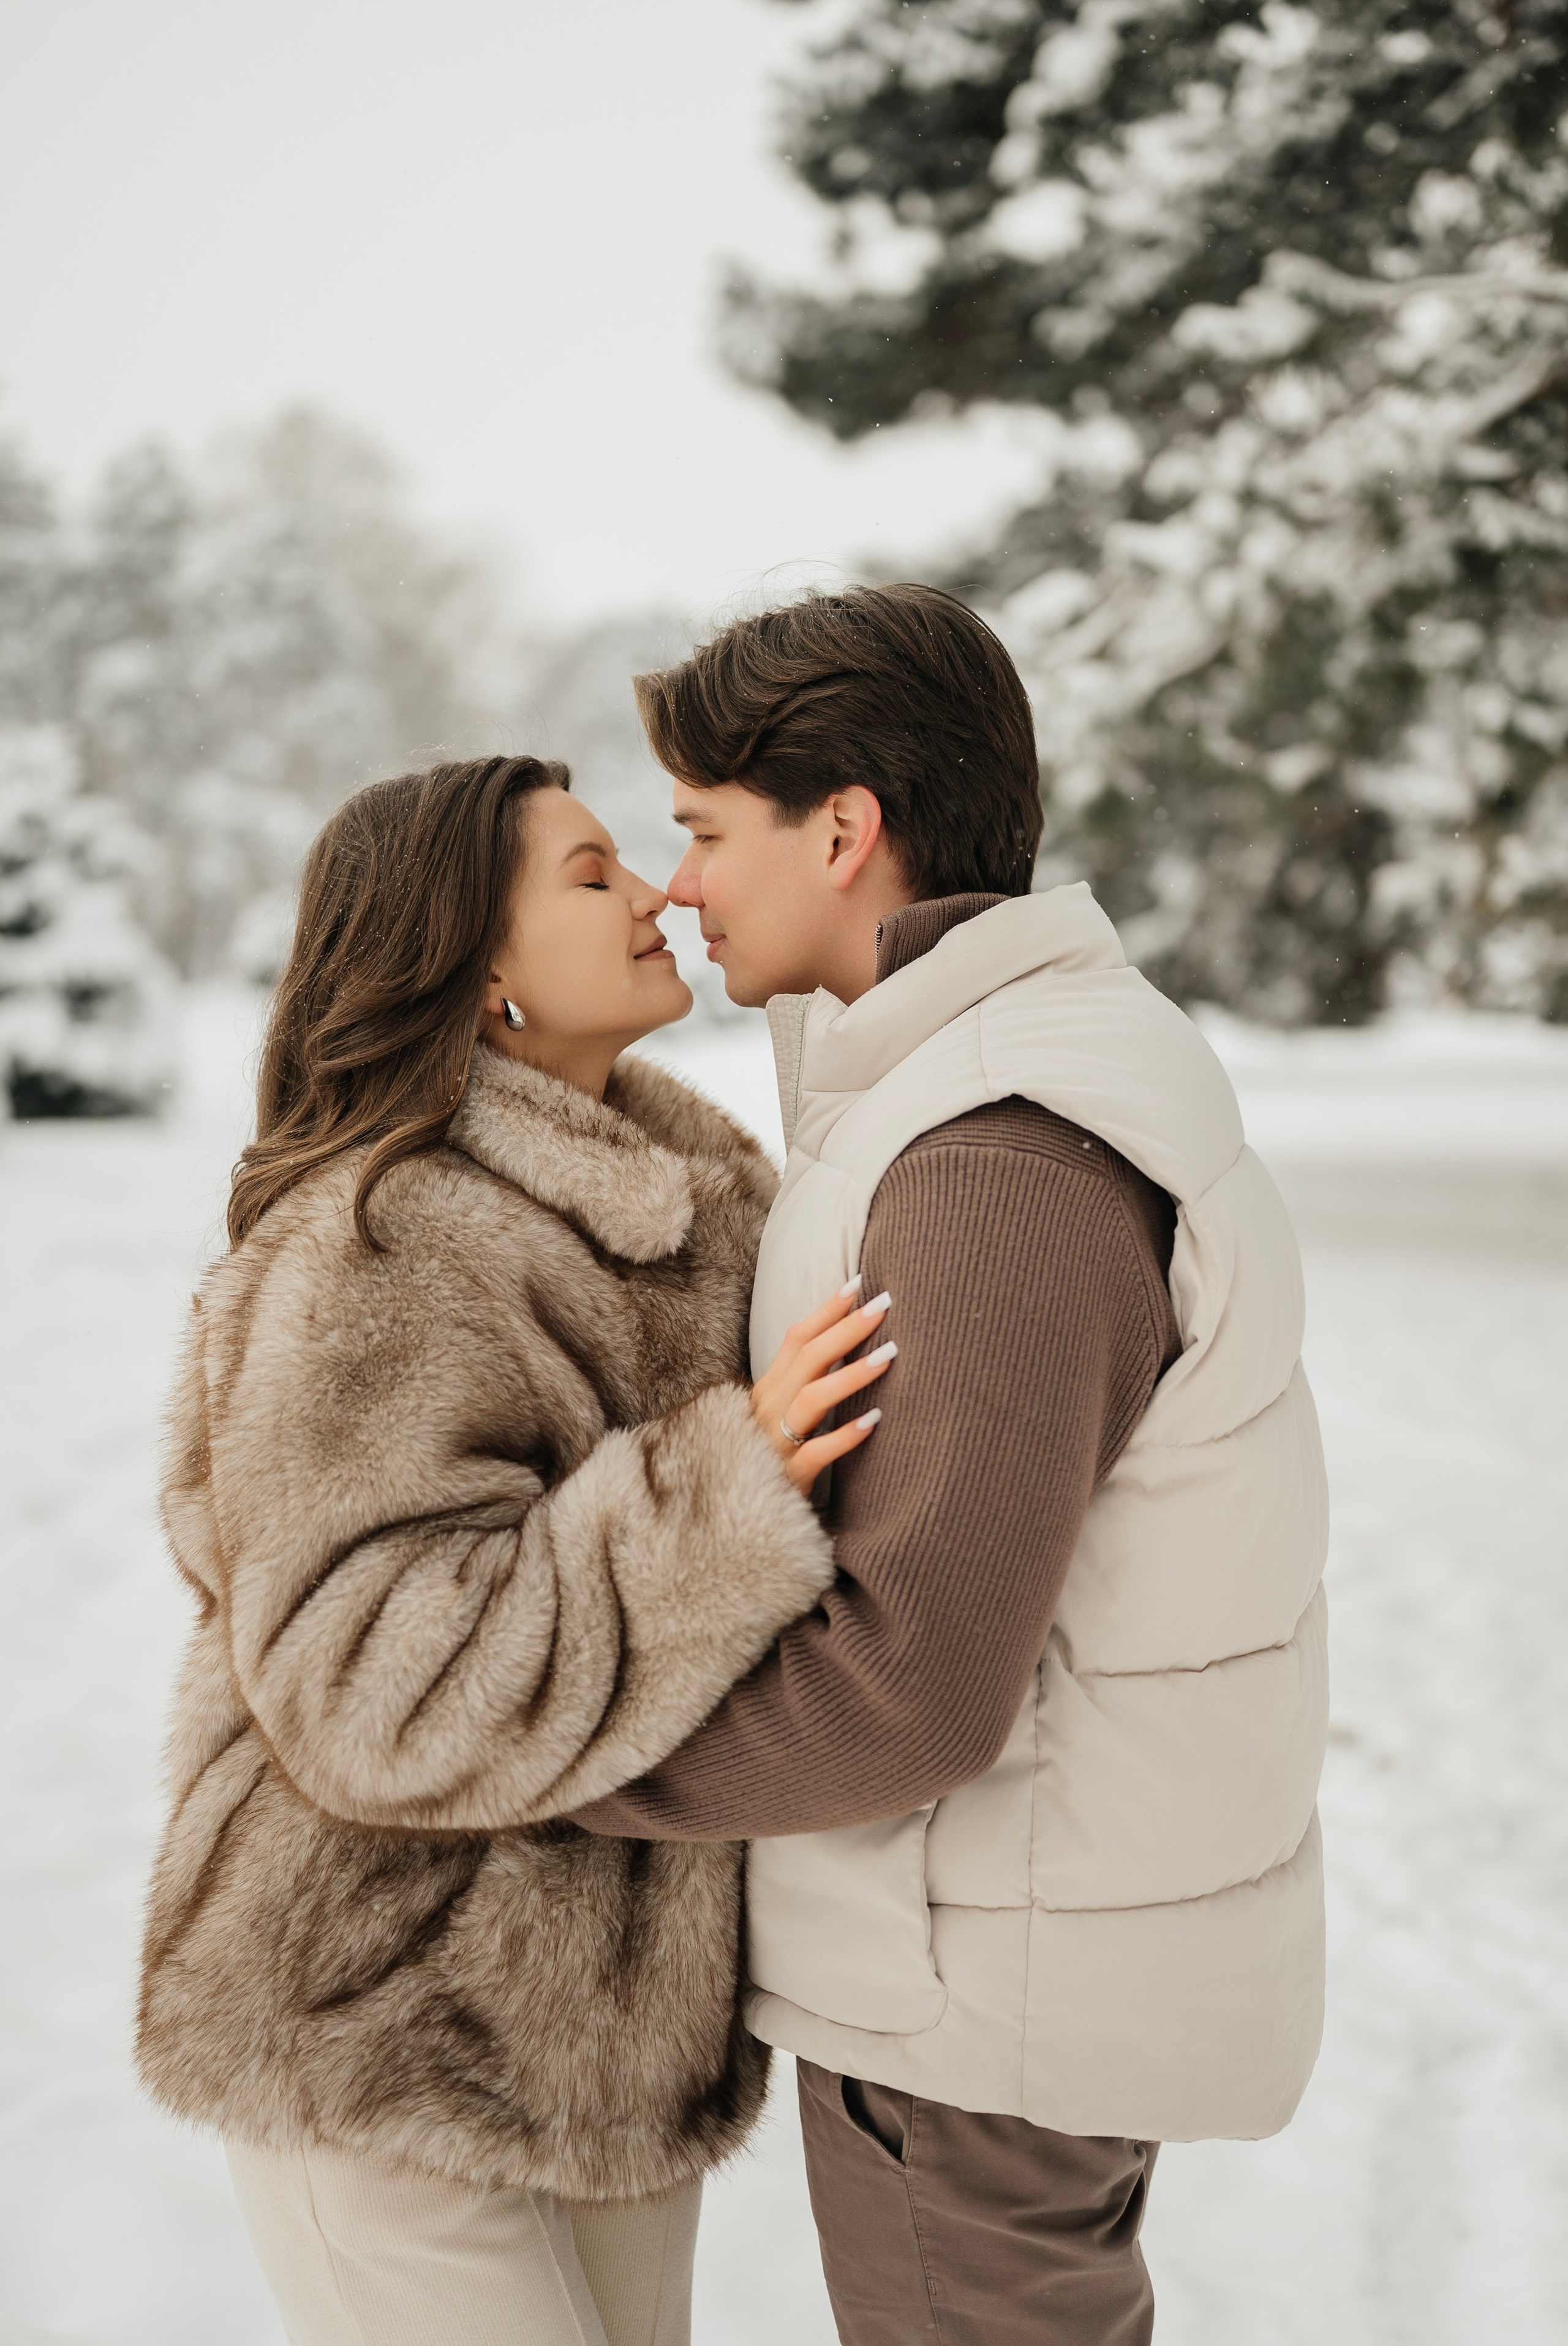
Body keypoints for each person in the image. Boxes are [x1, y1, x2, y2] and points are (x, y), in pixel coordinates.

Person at [576, 586, 1330, 2346]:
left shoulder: (995, 1154)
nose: (676, 884)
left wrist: (548, 1761)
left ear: (843, 829)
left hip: (985, 2005)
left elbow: (911, 1692)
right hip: (1014, 1962)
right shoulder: (987, 1081)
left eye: (705, 831)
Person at [136, 753, 897, 2346]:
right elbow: (371, 1689)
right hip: (378, 2022)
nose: (657, 892)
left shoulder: (702, 1212)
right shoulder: (384, 1239)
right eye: (591, 873)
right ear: (477, 964)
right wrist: (723, 1490)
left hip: (611, 2047)